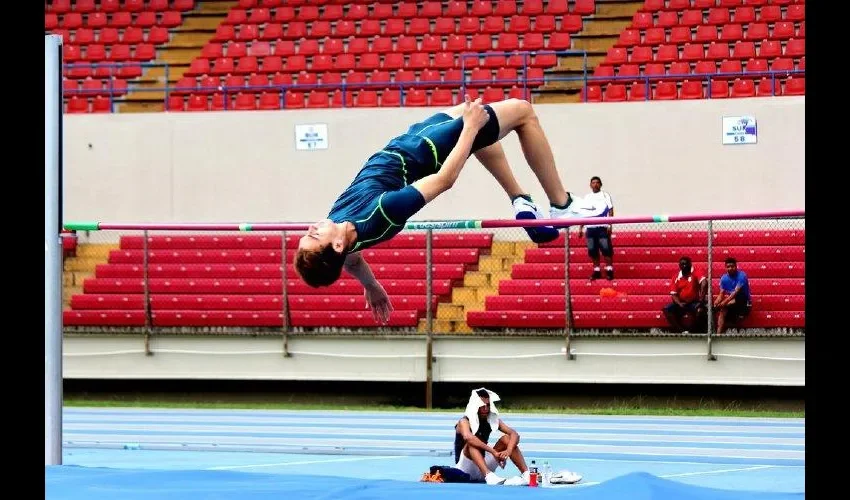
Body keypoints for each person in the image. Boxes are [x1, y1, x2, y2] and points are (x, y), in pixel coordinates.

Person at [294, 97, 607, 323]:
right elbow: (444, 180)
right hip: (424, 149)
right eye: (313, 236)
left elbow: (351, 261)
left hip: (409, 137)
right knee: (522, 112)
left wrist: (372, 286)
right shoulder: (384, 211)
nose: (310, 228)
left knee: (476, 121)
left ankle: (521, 200)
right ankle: (561, 205)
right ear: (334, 243)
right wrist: (468, 130)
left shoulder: (343, 239)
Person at [453, 388, 531, 486]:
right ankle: (489, 476)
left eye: (488, 405)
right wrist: (493, 452)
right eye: (482, 406)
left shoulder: (491, 419)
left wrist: (508, 451)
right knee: (471, 443)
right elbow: (469, 438)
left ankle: (526, 474)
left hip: (483, 463)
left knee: (507, 439)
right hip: (465, 470)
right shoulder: (464, 421)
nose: (486, 408)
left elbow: (514, 434)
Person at [578, 176, 615, 280]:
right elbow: (583, 212)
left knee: (606, 249)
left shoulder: (605, 195)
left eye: (597, 182)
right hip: (590, 228)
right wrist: (581, 227)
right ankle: (597, 271)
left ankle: (609, 270)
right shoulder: (587, 197)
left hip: (602, 227)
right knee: (592, 250)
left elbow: (611, 209)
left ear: (600, 184)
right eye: (593, 183)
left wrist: (609, 224)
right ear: (590, 185)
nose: (595, 184)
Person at [663, 256, 708, 333]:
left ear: (690, 264)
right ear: (679, 266)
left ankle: (692, 332)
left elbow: (704, 283)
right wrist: (679, 303)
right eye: (682, 264)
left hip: (694, 302)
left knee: (700, 311)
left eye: (686, 264)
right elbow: (674, 294)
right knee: (667, 310)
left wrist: (701, 300)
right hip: (681, 302)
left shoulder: (695, 272)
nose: (684, 266)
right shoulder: (676, 277)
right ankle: (681, 331)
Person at [713, 257, 752, 333]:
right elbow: (721, 293)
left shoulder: (742, 276)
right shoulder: (723, 278)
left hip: (744, 304)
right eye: (728, 267)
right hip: (731, 304)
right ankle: (718, 333)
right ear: (725, 268)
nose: (730, 268)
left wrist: (724, 303)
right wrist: (716, 303)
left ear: (736, 266)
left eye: (732, 266)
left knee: (738, 295)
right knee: (722, 310)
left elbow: (735, 292)